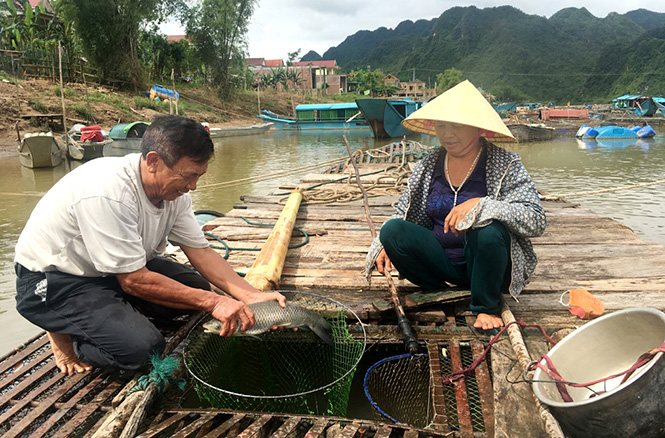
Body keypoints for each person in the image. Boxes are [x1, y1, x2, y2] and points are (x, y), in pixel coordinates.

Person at [14, 115, 285, 376]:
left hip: (111, 271)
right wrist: (215, 301)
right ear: (153, 161)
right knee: (142, 349)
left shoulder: (174, 193)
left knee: (198, 289)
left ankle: (112, 310)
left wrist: (250, 296)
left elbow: (200, 252)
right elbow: (133, 281)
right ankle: (67, 336)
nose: (193, 186)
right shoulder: (109, 192)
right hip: (56, 280)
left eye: (199, 176)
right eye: (188, 176)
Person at [364, 80, 546, 330]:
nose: (447, 133)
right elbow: (402, 212)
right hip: (439, 265)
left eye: (457, 125)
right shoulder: (428, 166)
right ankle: (440, 291)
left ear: (477, 128)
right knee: (392, 231)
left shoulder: (506, 164)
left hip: (490, 267)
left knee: (487, 229)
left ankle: (486, 306)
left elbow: (535, 219)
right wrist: (382, 246)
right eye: (441, 125)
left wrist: (481, 205)